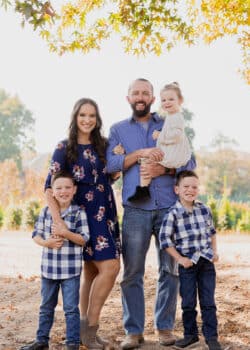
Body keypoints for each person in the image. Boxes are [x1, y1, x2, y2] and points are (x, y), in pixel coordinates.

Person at [106, 78, 196, 349]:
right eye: (136, 93)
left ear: (154, 98)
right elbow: (110, 163)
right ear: (128, 97)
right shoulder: (118, 130)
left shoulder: (170, 121)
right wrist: (139, 154)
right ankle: (133, 331)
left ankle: (165, 327)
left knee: (170, 270)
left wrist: (165, 170)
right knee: (132, 272)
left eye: (146, 93)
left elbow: (190, 161)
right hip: (135, 210)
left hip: (169, 207)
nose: (141, 96)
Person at [44, 98, 121, 349]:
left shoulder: (104, 145)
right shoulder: (64, 147)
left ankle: (84, 330)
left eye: (92, 115)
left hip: (105, 210)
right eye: (82, 115)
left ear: (97, 119)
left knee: (93, 271)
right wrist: (60, 223)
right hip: (82, 215)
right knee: (110, 266)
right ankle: (90, 329)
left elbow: (111, 174)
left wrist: (119, 164)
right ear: (75, 117)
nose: (87, 120)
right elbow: (48, 188)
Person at [20, 171, 90, 350]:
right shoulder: (45, 212)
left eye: (68, 187)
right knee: (46, 306)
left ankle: (72, 343)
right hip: (49, 270)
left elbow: (84, 239)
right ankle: (42, 340)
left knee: (71, 309)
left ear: (74, 190)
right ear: (52, 191)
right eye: (59, 188)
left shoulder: (78, 213)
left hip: (70, 271)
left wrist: (66, 233)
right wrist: (47, 242)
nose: (63, 191)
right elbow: (36, 235)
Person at [159, 170, 222, 350]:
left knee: (208, 301)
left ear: (198, 189)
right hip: (188, 264)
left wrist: (215, 251)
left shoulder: (204, 209)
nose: (190, 190)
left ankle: (211, 337)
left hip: (206, 262)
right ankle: (190, 335)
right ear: (176, 189)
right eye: (186, 186)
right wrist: (180, 259)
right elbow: (165, 241)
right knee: (188, 301)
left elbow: (212, 233)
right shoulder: (173, 213)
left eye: (194, 187)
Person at [126, 82, 191, 202]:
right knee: (146, 161)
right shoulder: (171, 116)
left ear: (180, 100)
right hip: (171, 152)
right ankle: (143, 190)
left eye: (171, 99)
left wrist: (160, 135)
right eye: (164, 100)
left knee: (146, 160)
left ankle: (143, 190)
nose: (167, 102)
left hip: (174, 155)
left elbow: (176, 135)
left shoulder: (177, 117)